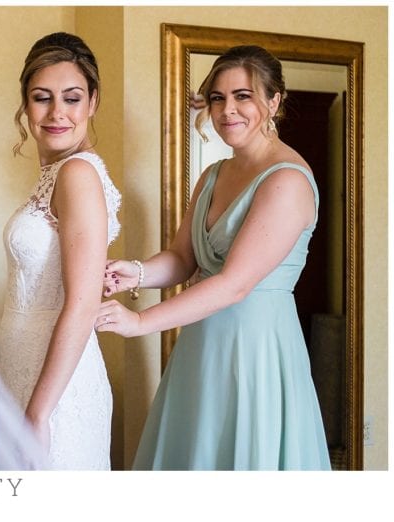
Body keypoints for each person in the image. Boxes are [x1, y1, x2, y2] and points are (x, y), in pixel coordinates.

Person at [97, 45, 330, 470]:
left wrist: (140, 323)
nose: (227, 110)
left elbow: (234, 283)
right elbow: (184, 259)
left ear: (274, 101)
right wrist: (136, 273)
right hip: (201, 346)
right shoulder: (213, 174)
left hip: (255, 347)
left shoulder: (287, 182)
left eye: (243, 96)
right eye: (219, 97)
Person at [0, 32, 120, 469]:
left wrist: (38, 413)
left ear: (93, 102)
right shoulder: (55, 174)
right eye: (41, 97)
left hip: (57, 391)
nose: (56, 113)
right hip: (25, 368)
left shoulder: (77, 175)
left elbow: (83, 303)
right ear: (26, 104)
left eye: (71, 98)